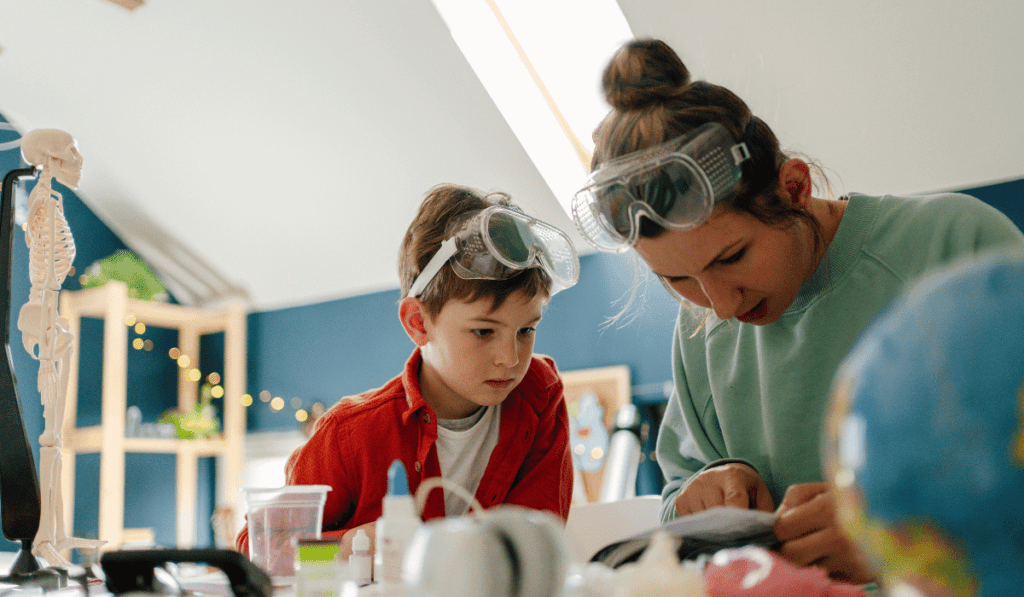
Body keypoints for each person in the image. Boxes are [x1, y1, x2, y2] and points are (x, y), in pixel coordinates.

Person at [572, 38, 1024, 583]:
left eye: (732, 256)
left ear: (794, 188)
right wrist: (706, 492)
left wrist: (896, 537)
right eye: (677, 280)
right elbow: (675, 494)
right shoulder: (699, 334)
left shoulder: (954, 244)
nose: (720, 304)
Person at [235, 183, 579, 558]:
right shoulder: (351, 435)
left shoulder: (540, 396)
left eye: (526, 330)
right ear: (418, 322)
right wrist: (348, 546)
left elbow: (536, 545)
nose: (510, 358)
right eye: (483, 331)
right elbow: (262, 549)